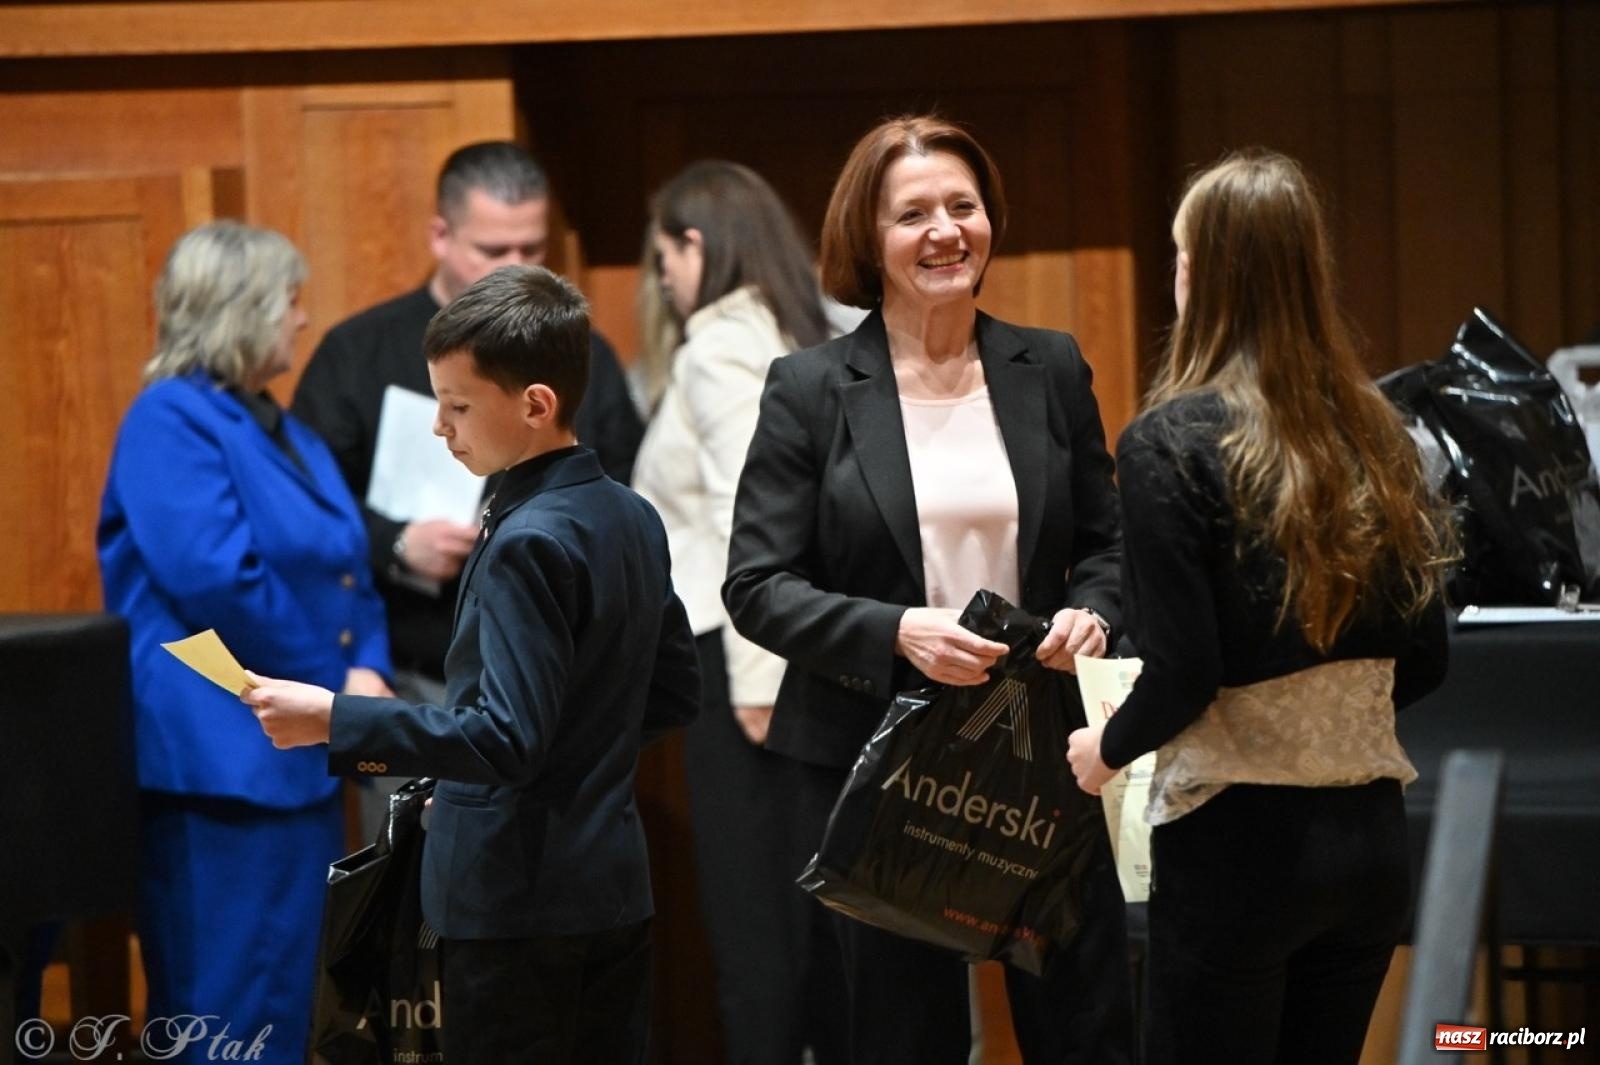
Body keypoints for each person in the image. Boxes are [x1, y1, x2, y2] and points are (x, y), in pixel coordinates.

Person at [723, 115, 1133, 1064]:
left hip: (1042, 751)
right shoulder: (810, 388)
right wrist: (899, 629)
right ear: (869, 241)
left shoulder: (1050, 365)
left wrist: (1096, 611)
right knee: (901, 1037)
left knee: (1085, 1027)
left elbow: (1109, 546)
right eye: (913, 214)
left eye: (963, 206)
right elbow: (756, 585)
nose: (946, 231)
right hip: (876, 754)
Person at [245, 264, 702, 1065]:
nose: (439, 426)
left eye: (457, 406)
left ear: (535, 405)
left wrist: (335, 719)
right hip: (612, 890)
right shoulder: (630, 514)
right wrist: (569, 769)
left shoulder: (529, 537)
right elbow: (672, 692)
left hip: (515, 900)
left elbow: (506, 738)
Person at [1066, 150, 1454, 1065]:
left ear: (1198, 273)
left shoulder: (1168, 443)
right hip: (1370, 845)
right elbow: (1429, 657)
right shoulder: (1381, 432)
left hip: (1238, 854)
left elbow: (1186, 672)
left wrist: (1104, 751)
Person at [97, 220, 393, 1064]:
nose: (303, 318)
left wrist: (366, 666)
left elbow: (348, 565)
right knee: (226, 1008)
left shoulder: (276, 425)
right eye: (291, 300)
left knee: (288, 999)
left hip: (293, 754)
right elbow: (220, 578)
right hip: (218, 765)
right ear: (243, 309)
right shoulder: (169, 420)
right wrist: (336, 679)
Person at [291, 143, 644, 826]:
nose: (515, 267)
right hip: (409, 663)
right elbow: (307, 504)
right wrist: (397, 543)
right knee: (422, 872)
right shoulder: (358, 351)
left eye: (532, 248)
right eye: (492, 249)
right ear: (441, 236)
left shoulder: (582, 354)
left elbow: (624, 489)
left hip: (557, 678)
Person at [631, 160, 845, 1065]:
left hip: (749, 659)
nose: (665, 283)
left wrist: (759, 681)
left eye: (664, 261)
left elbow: (743, 516)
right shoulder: (818, 325)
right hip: (822, 647)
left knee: (758, 931)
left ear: (695, 246)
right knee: (824, 924)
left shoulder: (720, 343)